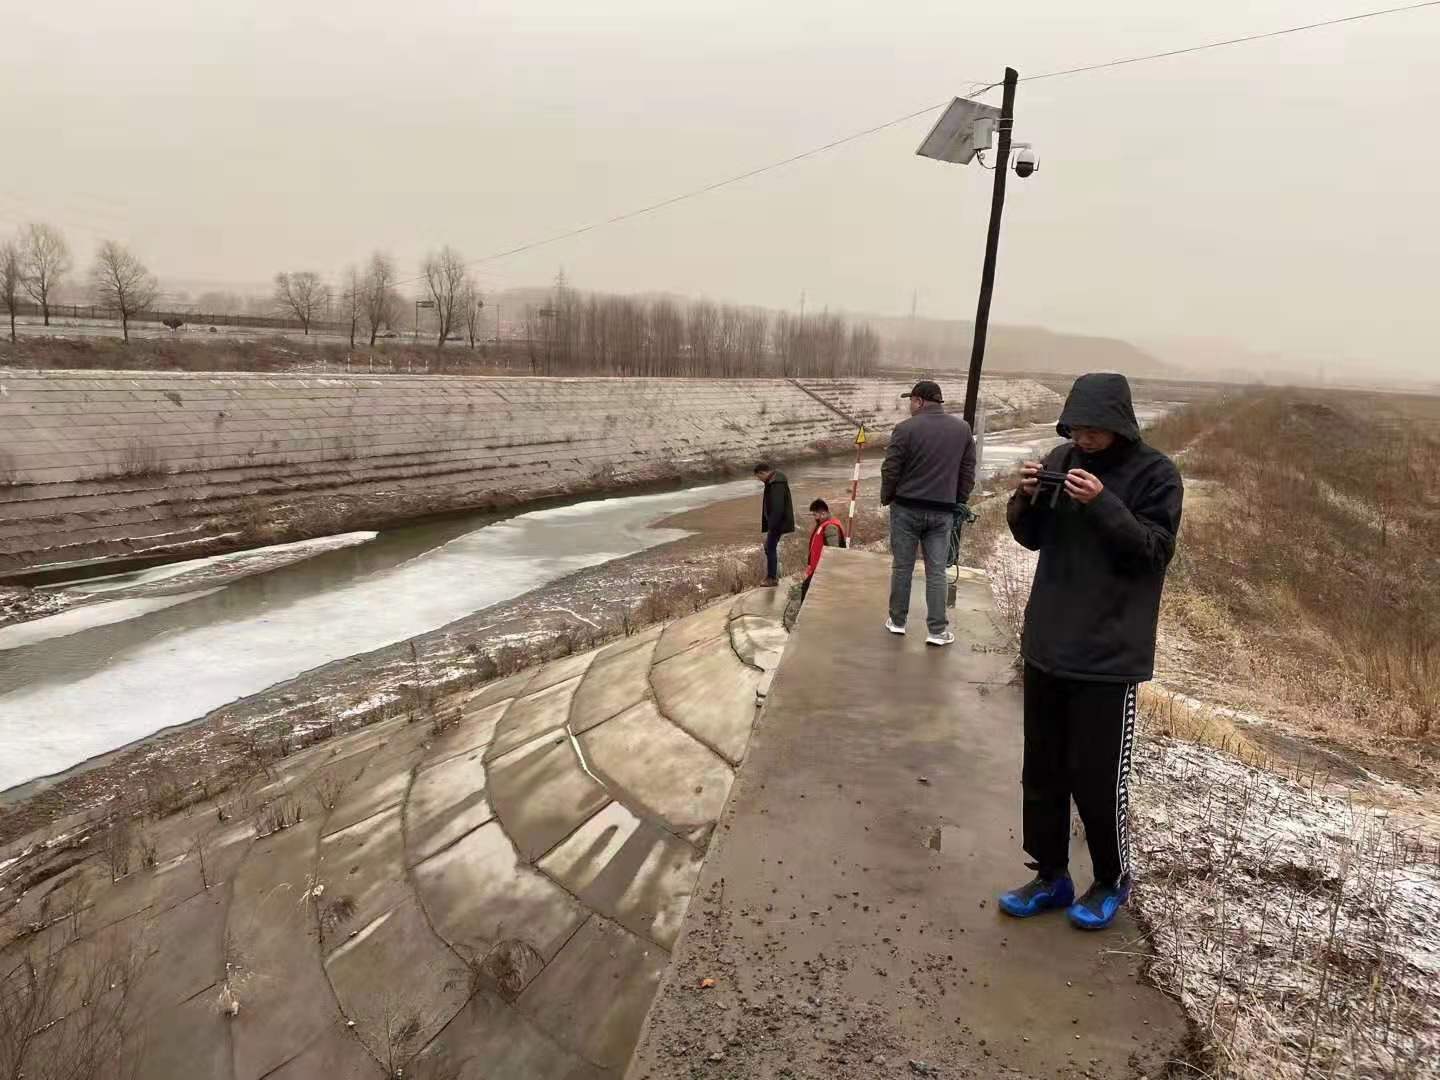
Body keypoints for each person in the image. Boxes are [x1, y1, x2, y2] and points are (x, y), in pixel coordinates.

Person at [998, 372, 1183, 931]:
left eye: (1094, 429)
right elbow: (1031, 536)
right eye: (1076, 428)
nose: (1083, 438)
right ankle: (1051, 875)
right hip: (1049, 642)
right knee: (1043, 771)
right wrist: (1024, 497)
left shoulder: (1156, 475)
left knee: (1098, 778)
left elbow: (1153, 552)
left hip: (1107, 655)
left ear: (1119, 423)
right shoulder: (1061, 455)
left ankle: (1110, 880)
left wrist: (1104, 504)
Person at [879, 380, 976, 647]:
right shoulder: (962, 429)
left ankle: (897, 622)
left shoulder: (904, 429)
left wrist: (887, 497)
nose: (910, 406)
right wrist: (957, 500)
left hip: (906, 509)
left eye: (911, 401)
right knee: (936, 572)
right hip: (942, 512)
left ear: (920, 401)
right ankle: (937, 631)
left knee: (902, 567)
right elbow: (968, 472)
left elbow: (890, 469)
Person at [753, 462, 795, 586]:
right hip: (776, 523)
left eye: (758, 477)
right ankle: (774, 575)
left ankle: (772, 578)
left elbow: (777, 507)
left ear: (763, 473)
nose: (759, 480)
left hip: (777, 523)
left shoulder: (776, 483)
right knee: (768, 547)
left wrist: (772, 526)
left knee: (770, 547)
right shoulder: (773, 481)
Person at [800, 499, 847, 602]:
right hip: (819, 568)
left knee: (806, 589)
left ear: (823, 513)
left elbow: (834, 551)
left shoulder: (830, 527)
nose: (814, 517)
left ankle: (803, 615)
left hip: (823, 569)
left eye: (815, 515)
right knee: (806, 588)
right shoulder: (824, 523)